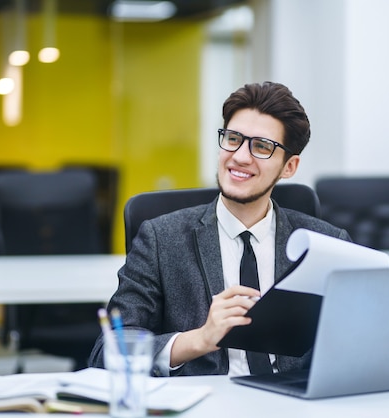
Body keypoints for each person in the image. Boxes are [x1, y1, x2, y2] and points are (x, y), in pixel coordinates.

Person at [88, 81, 351, 376]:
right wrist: (199, 339)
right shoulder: (161, 239)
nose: (239, 156)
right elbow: (108, 350)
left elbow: (353, 344)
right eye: (233, 138)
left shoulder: (327, 244)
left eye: (262, 146)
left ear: (289, 167)